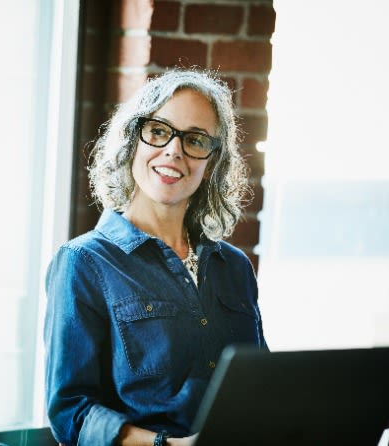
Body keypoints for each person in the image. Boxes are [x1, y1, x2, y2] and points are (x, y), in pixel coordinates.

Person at [44, 69, 268, 446]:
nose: (174, 151)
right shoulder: (83, 262)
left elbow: (261, 383)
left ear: (211, 163)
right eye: (160, 131)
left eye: (195, 140)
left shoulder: (234, 266)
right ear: (133, 141)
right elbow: (72, 413)